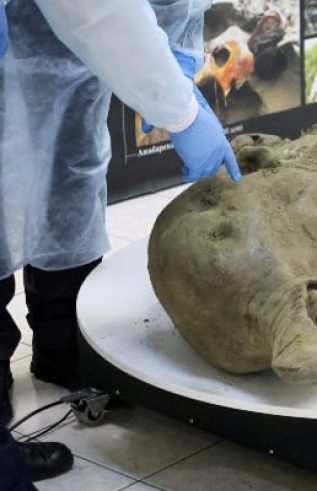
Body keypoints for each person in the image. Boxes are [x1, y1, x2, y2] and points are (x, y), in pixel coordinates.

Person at [0, 0, 241, 485]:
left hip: (73, 58)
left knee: (70, 179)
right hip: (39, 33)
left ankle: (66, 343)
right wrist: (179, 110)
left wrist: (175, 56)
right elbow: (95, 8)